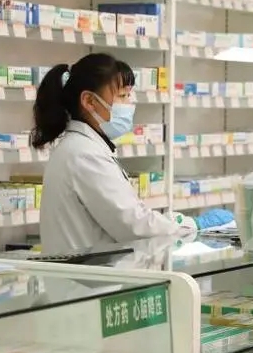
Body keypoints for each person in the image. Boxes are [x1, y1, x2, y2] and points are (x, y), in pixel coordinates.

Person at [32, 53, 223, 254]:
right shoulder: (83, 154)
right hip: (89, 273)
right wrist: (193, 225)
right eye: (122, 96)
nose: (129, 104)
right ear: (89, 101)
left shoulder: (82, 147)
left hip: (88, 270)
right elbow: (135, 226)